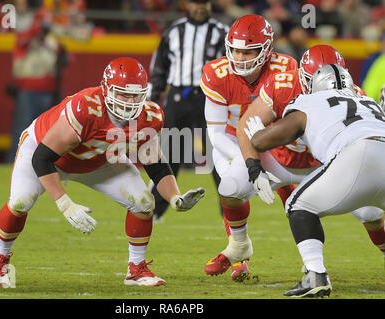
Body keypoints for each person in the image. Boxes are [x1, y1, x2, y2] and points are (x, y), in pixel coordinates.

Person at [0, 57, 205, 288]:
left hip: (97, 159)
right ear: (106, 89)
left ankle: (136, 269)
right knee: (21, 202)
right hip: (45, 152)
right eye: (123, 94)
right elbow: (42, 158)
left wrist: (175, 199)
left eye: (135, 95)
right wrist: (65, 204)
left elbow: (155, 164)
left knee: (143, 202)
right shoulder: (85, 108)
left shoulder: (149, 116)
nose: (130, 102)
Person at [237, 44, 385, 267]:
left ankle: (315, 273)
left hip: (349, 160)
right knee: (372, 213)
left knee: (298, 206)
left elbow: (266, 138)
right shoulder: (365, 100)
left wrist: (258, 135)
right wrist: (254, 169)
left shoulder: (308, 100)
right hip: (371, 150)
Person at [200, 14, 299, 281]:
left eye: (248, 51)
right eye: (236, 50)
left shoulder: (285, 68)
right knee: (230, 189)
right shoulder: (216, 74)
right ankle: (238, 254)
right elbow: (216, 133)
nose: (241, 57)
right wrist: (248, 161)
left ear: (266, 49)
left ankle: (311, 259)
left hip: (273, 139)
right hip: (231, 141)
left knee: (297, 198)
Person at [148, 0, 229, 223]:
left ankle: (231, 210)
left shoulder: (222, 32)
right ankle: (155, 210)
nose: (200, 7)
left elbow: (232, 69)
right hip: (178, 95)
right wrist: (154, 99)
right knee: (169, 153)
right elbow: (159, 67)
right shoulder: (174, 31)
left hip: (210, 97)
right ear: (188, 4)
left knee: (218, 151)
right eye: (196, 2)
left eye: (204, 2)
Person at [6, 7, 68, 163]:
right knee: (23, 130)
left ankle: (40, 163)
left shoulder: (52, 42)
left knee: (44, 133)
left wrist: (50, 35)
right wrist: (37, 29)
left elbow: (64, 56)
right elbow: (22, 42)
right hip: (27, 91)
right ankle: (15, 161)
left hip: (47, 92)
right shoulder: (26, 38)